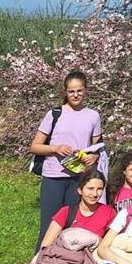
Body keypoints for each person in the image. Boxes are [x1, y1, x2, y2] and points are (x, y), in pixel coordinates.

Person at [12, 169, 111, 264]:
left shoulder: (108, 212)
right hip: (65, 260)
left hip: (89, 263)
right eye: (90, 188)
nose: (94, 193)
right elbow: (47, 244)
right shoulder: (67, 212)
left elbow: (109, 242)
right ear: (80, 189)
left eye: (99, 189)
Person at [29, 70, 103, 247]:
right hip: (53, 177)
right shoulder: (54, 114)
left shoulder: (93, 116)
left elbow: (98, 147)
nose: (76, 94)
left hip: (78, 178)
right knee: (49, 225)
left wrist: (93, 157)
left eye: (79, 90)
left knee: (72, 225)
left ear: (85, 90)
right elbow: (35, 146)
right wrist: (56, 148)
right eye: (71, 91)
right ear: (65, 92)